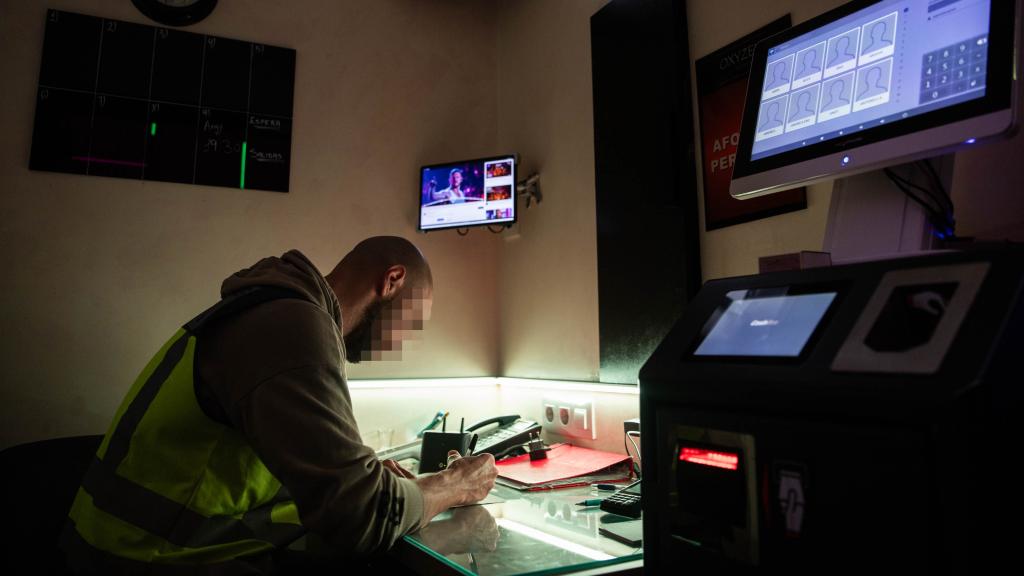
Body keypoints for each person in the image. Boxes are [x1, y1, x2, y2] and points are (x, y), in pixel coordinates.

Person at [61, 236, 499, 574]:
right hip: (151, 563)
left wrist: (358, 477)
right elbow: (362, 516)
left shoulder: (268, 309)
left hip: (128, 550)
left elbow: (237, 467)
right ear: (392, 281)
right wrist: (454, 484)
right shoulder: (291, 325)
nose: (405, 341)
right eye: (413, 323)